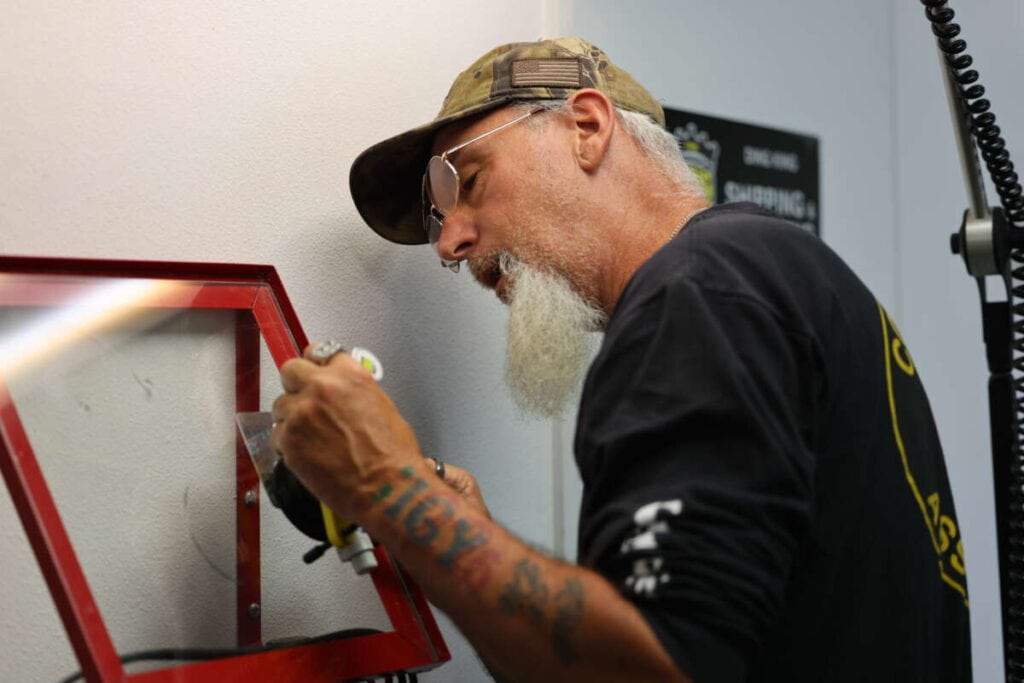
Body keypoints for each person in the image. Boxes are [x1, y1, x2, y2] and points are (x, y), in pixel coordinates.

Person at [271, 37, 972, 682]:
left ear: (587, 128)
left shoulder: (699, 293)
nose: (449, 243)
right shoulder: (774, 274)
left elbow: (656, 664)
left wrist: (392, 489)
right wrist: (465, 534)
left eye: (467, 180)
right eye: (435, 219)